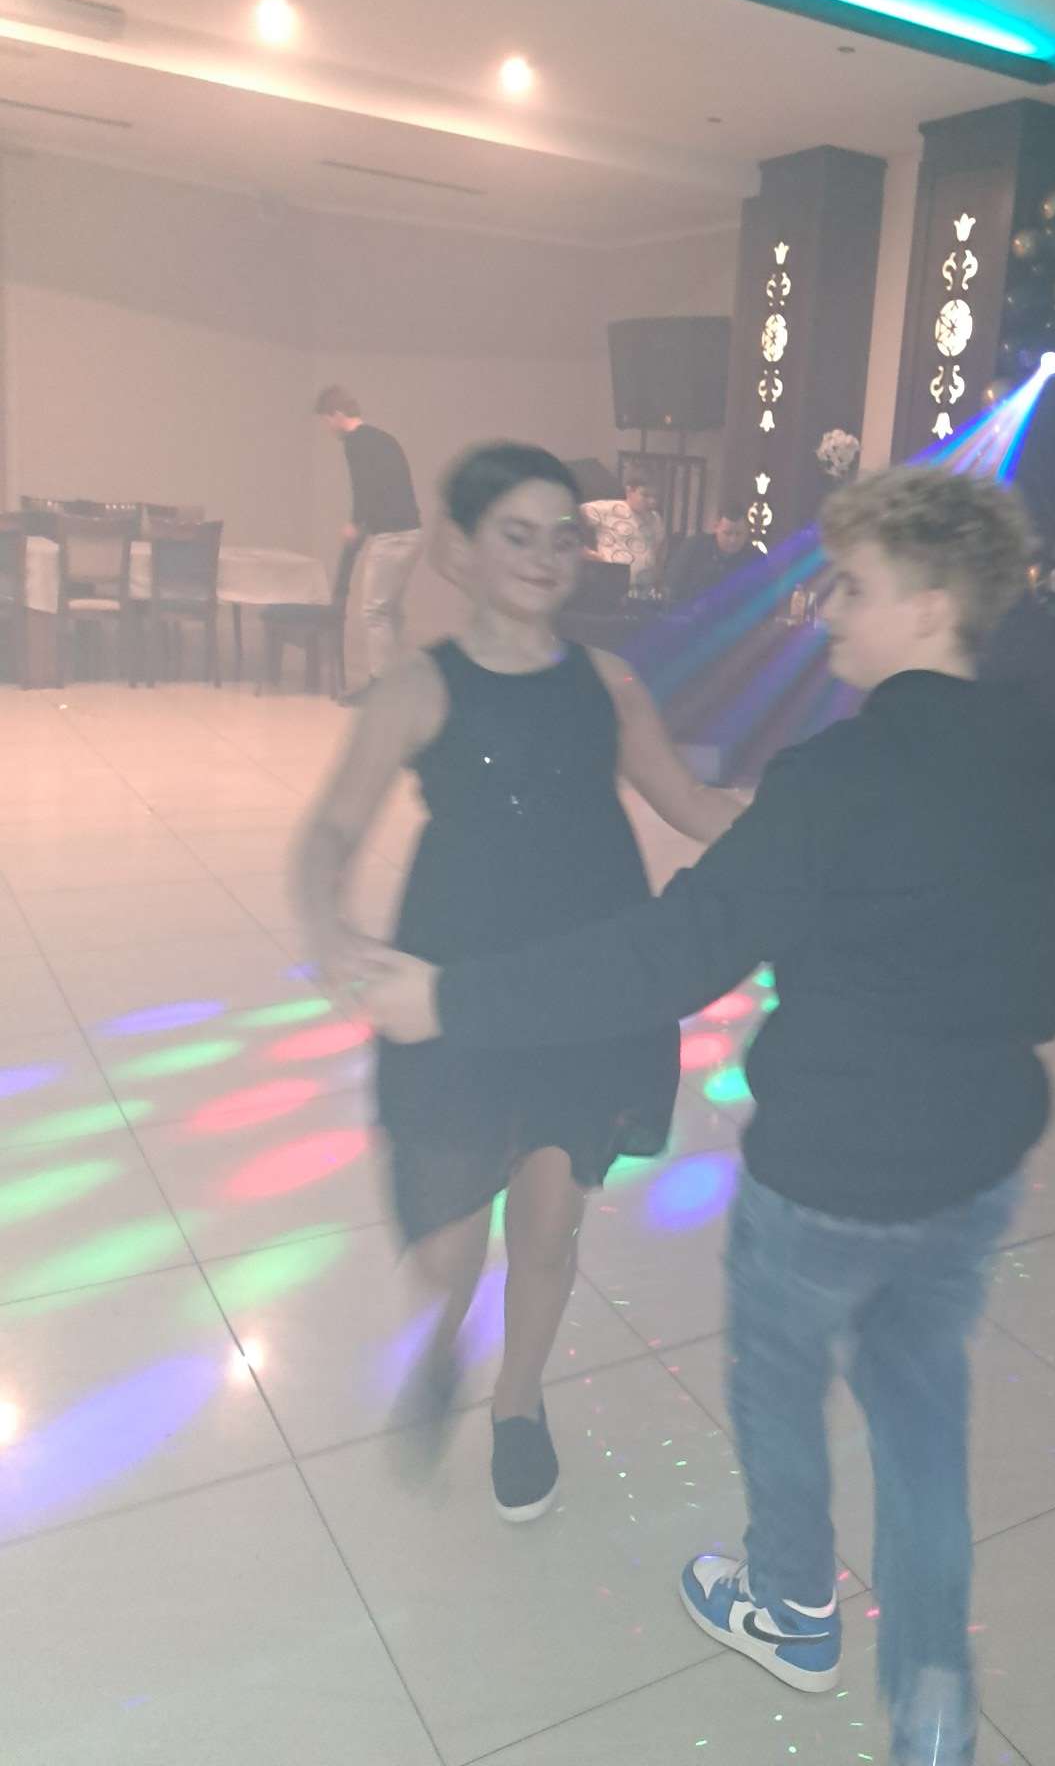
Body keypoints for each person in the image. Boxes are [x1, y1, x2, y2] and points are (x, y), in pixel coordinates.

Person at [360, 466, 1055, 1766]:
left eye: (853, 588)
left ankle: (794, 1608)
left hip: (829, 1171)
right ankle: (934, 1697)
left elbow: (667, 954)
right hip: (979, 1158)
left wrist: (451, 996)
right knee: (922, 1412)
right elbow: (1034, 988)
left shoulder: (838, 777)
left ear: (932, 605)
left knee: (780, 1387)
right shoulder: (1054, 762)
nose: (829, 614)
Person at [291, 441, 744, 1520]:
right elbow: (332, 830)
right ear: (459, 549)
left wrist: (816, 834)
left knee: (550, 1224)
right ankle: (444, 1336)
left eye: (562, 536)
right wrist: (327, 926)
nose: (546, 557)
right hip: (457, 985)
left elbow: (690, 802)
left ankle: (519, 1401)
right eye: (517, 534)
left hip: (586, 984)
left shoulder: (609, 682)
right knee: (448, 1240)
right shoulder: (419, 685)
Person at [314, 387, 424, 692]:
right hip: (412, 533)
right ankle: (401, 681)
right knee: (391, 611)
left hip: (391, 537)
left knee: (375, 611)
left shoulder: (355, 443)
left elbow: (364, 487)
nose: (327, 428)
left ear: (337, 414)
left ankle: (379, 686)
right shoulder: (383, 438)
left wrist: (355, 523)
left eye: (326, 420)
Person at [580, 463, 668, 597]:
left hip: (643, 591)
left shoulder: (656, 518)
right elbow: (567, 518)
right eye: (645, 495)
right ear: (629, 490)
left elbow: (660, 550)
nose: (652, 501)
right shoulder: (606, 509)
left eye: (655, 497)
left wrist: (659, 580)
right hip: (610, 587)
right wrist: (585, 552)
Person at [667, 504, 751, 608]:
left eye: (739, 534)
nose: (732, 540)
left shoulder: (755, 559)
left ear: (747, 532)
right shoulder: (693, 548)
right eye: (727, 533)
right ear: (716, 528)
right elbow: (672, 586)